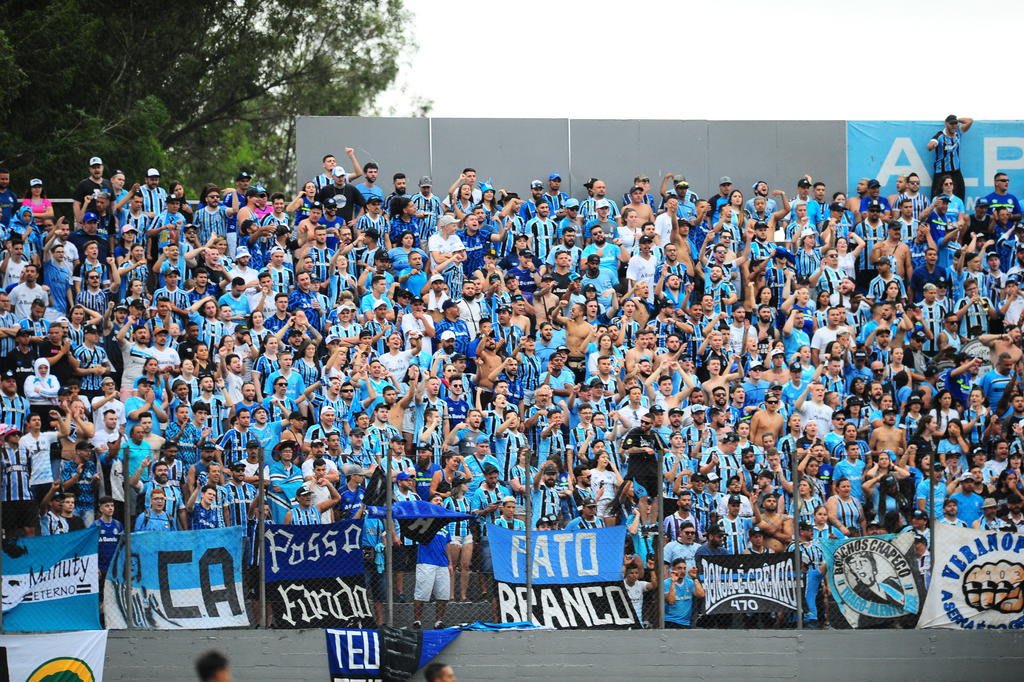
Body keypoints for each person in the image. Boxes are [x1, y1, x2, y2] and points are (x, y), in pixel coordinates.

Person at [413, 493, 451, 629]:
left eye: (441, 500)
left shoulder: (444, 524)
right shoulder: (423, 519)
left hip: (442, 563)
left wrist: (450, 563)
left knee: (443, 594)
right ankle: (417, 621)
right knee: (421, 593)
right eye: (436, 500)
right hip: (426, 561)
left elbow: (447, 544)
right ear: (430, 503)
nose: (439, 502)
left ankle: (438, 621)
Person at [663, 558, 705, 628]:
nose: (682, 571)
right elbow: (671, 601)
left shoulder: (689, 582)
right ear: (672, 569)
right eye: (679, 568)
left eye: (684, 568)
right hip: (670, 621)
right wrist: (673, 582)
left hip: (686, 622)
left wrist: (694, 578)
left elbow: (701, 595)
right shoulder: (666, 583)